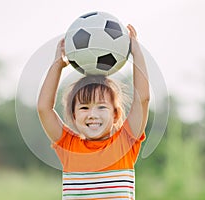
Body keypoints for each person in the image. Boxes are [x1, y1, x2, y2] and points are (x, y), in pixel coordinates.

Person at [37, 24, 149, 200]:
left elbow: (142, 100)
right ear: (74, 116)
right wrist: (57, 65)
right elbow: (44, 108)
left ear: (116, 114)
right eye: (84, 107)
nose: (92, 114)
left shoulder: (124, 143)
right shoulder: (69, 146)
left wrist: (137, 53)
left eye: (101, 106)